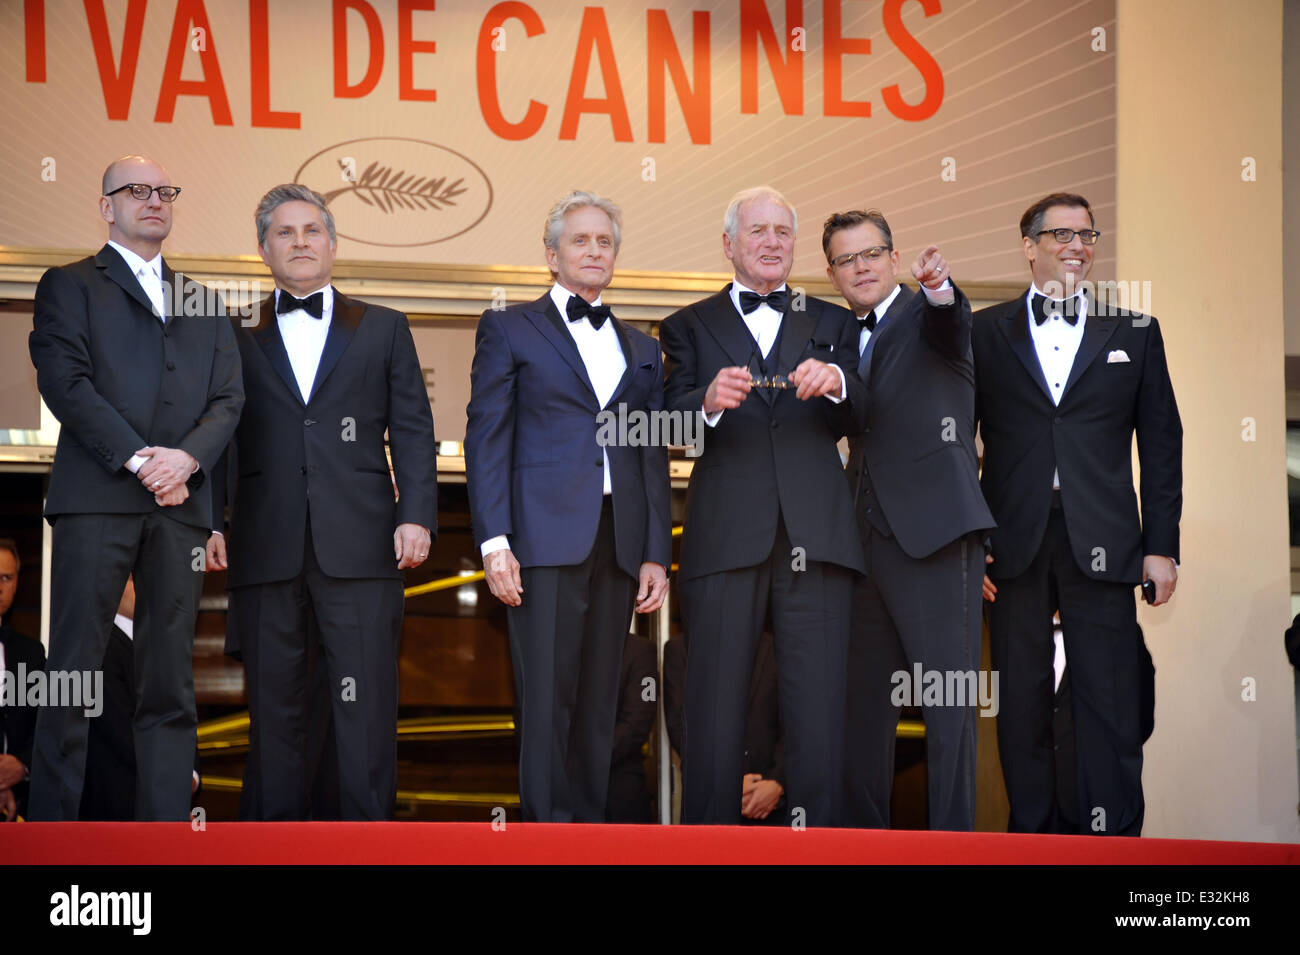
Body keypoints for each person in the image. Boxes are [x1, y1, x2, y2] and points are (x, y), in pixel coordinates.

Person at [206, 184, 437, 820]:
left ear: (333, 245)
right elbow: (217, 433)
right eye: (285, 232)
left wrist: (416, 513)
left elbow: (414, 428)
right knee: (275, 717)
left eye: (312, 231)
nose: (300, 242)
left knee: (365, 717)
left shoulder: (385, 327)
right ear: (262, 249)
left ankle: (367, 854)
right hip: (264, 545)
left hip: (364, 548)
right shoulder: (233, 330)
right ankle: (270, 855)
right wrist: (211, 521)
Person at [27, 155, 243, 821]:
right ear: (106, 207)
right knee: (73, 669)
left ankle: (163, 836)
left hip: (180, 510)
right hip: (96, 500)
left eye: (163, 191)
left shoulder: (205, 302)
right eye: (136, 191)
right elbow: (65, 380)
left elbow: (228, 399)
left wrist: (185, 462)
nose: (153, 201)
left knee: (169, 678)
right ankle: (56, 832)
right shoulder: (68, 285)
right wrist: (140, 459)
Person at [973, 192, 1181, 836]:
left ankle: (1113, 839)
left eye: (1087, 235)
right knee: (1021, 703)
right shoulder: (983, 330)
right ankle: (1032, 838)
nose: (1076, 246)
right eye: (1060, 235)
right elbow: (954, 440)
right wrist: (971, 538)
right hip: (1013, 541)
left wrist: (1162, 545)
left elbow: (1163, 443)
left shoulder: (1136, 332)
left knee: (1110, 696)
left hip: (1108, 541)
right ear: (1029, 245)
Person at [659, 186, 866, 826]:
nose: (772, 242)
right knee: (714, 709)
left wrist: (838, 385)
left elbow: (873, 410)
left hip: (820, 538)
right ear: (729, 244)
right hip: (724, 539)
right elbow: (662, 426)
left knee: (822, 714)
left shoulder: (834, 321)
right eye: (758, 231)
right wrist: (702, 402)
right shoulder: (687, 325)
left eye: (782, 231)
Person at [465, 190, 671, 822]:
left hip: (619, 540)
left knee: (597, 698)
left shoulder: (641, 346)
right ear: (551, 256)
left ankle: (586, 837)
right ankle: (544, 839)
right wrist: (495, 541)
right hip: (542, 540)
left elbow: (651, 454)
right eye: (579, 240)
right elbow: (486, 435)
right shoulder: (508, 326)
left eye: (604, 241)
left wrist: (656, 552)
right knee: (546, 698)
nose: (594, 251)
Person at [822, 210, 993, 831]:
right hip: (861, 545)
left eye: (871, 254)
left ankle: (954, 848)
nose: (861, 267)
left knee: (949, 710)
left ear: (894, 259)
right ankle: (863, 846)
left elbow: (952, 320)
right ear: (833, 273)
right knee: (862, 713)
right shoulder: (838, 335)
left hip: (937, 538)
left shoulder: (928, 314)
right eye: (846, 259)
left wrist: (940, 287)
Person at [79, 577, 202, 820]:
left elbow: (183, 718)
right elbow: (120, 732)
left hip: (163, 799)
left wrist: (191, 776)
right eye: (136, 577)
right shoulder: (97, 648)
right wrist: (171, 785)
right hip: (116, 809)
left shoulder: (167, 646)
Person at [663, 631, 786, 824]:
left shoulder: (779, 647)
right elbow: (680, 727)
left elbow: (796, 723)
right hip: (708, 801)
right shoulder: (679, 649)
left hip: (772, 801)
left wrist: (778, 782)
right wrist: (727, 785)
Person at [0, 539, 45, 821]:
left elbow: (45, 722)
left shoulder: (30, 652)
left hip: (20, 808)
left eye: (6, 577)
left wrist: (23, 765)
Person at [605, 632, 658, 823]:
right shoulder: (566, 645)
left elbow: (638, 721)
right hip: (568, 790)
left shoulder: (640, 651)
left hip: (620, 789)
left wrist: (590, 759)